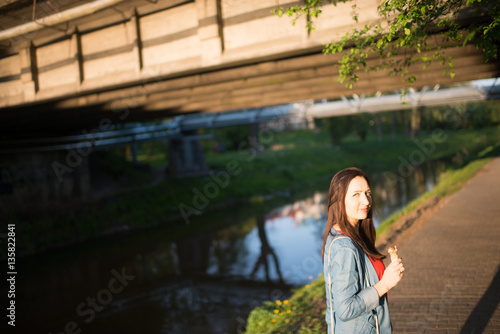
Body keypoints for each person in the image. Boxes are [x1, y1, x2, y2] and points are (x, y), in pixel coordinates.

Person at [322, 167, 404, 333]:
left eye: (367, 193)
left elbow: (332, 305)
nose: (366, 201)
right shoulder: (344, 247)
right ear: (339, 200)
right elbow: (345, 309)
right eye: (356, 194)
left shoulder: (349, 235)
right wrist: (384, 284)